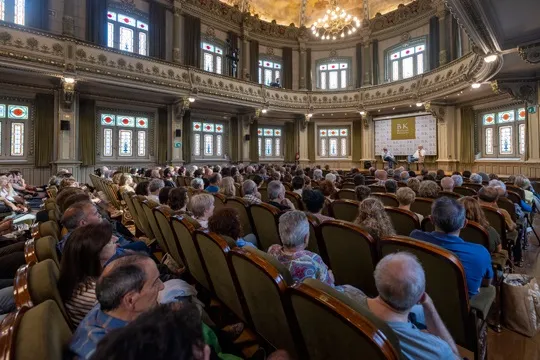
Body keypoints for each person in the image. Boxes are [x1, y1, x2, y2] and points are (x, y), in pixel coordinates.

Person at [360, 253, 459, 359]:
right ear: (421, 297)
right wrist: (430, 308)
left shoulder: (344, 292)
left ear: (377, 281)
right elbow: (456, 356)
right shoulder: (438, 351)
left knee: (419, 311)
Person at [70, 255, 166, 359]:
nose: (162, 286)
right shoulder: (113, 353)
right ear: (130, 300)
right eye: (155, 283)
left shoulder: (108, 306)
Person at [268, 211, 364, 300]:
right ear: (306, 238)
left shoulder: (272, 250)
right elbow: (329, 291)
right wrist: (330, 277)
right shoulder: (312, 260)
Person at [410, 198, 493, 297]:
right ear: (465, 223)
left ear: (431, 220)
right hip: (457, 308)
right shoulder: (480, 253)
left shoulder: (415, 237)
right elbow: (487, 282)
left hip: (419, 296)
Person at [58, 223, 118, 327]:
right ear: (96, 253)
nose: (115, 239)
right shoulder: (95, 295)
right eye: (109, 241)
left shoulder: (78, 277)